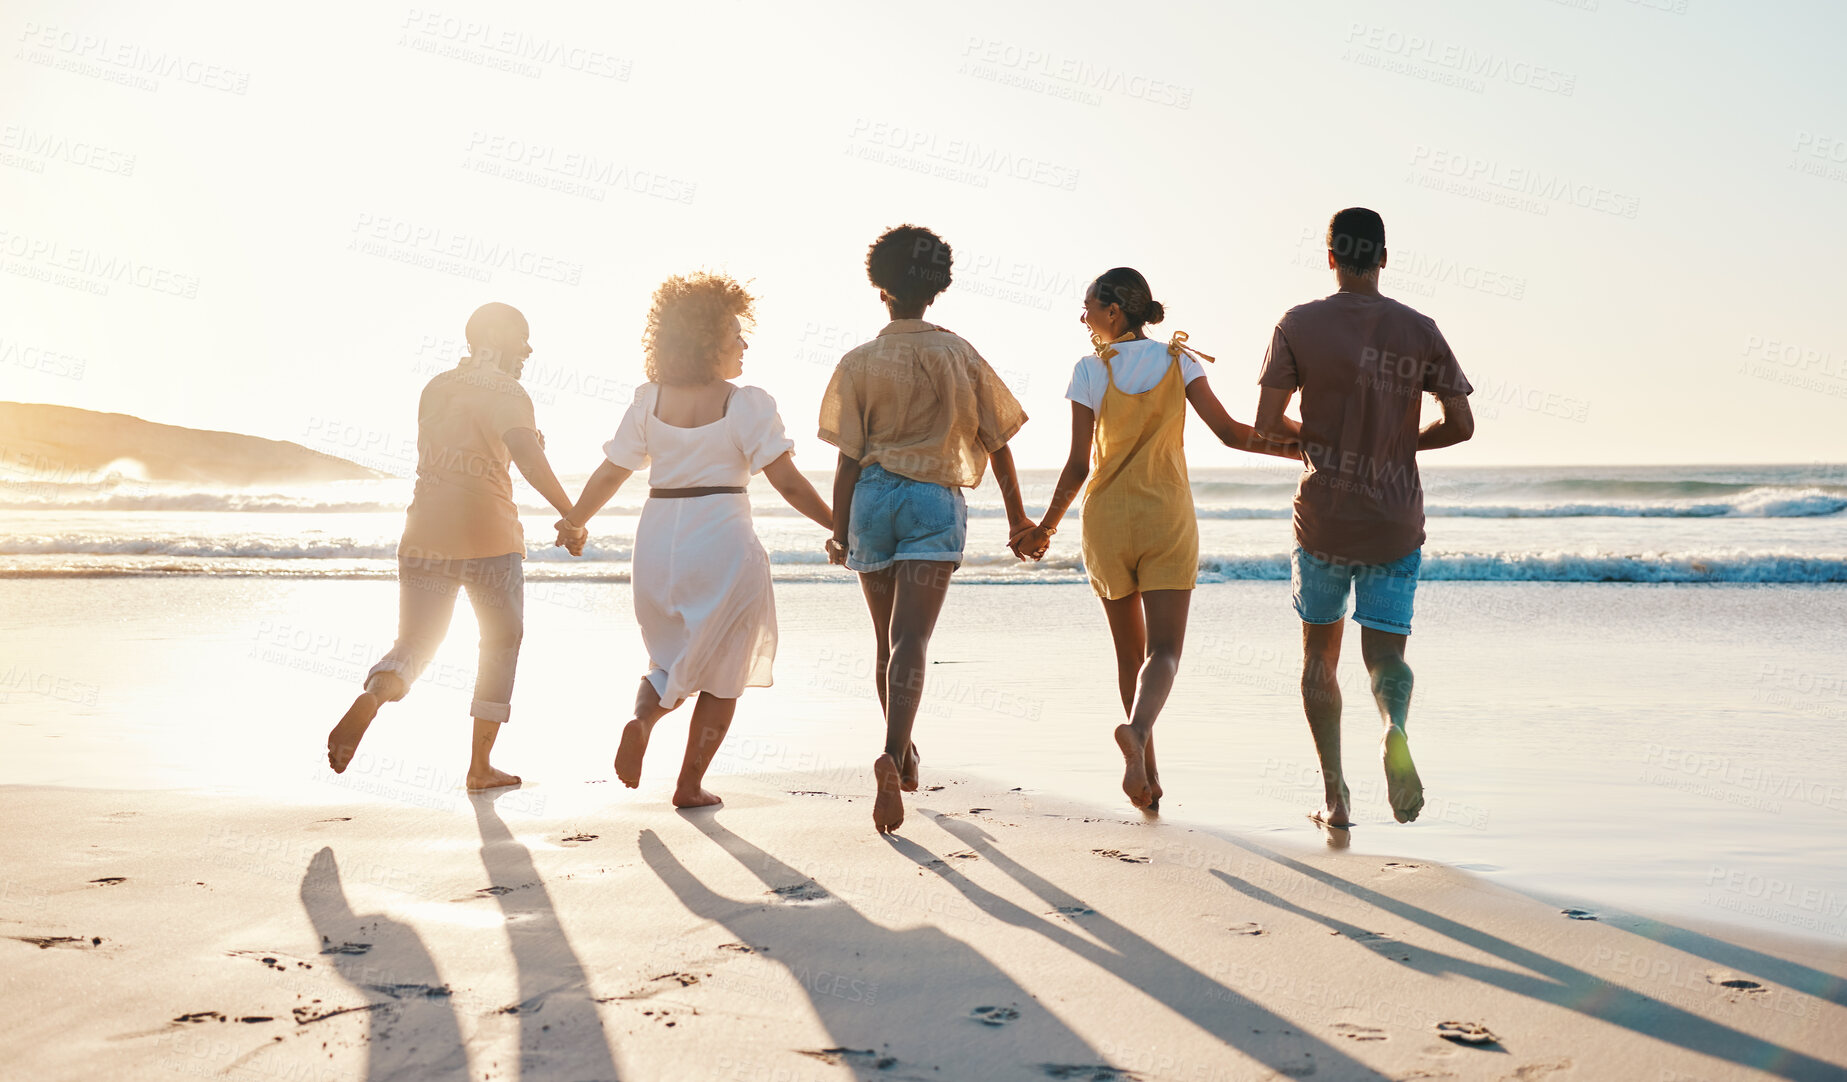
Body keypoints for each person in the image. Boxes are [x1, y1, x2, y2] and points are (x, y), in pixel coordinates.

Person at [1011, 268, 1300, 812]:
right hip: (1166, 518)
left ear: (1114, 311)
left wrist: (1045, 527)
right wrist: (1306, 450)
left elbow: (1077, 465)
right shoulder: (1179, 360)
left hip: (1107, 522)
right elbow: (1234, 434)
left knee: (1130, 655)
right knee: (1164, 652)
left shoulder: (1089, 370)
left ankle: (1146, 777)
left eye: (1089, 305)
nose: (1084, 315)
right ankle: (1137, 733)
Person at [554, 273, 832, 808]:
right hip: (721, 538)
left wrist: (575, 519)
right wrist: (842, 526)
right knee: (723, 671)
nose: (744, 344)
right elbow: (789, 481)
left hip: (658, 539)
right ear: (708, 342)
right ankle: (687, 785)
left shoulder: (648, 400)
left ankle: (642, 720)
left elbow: (613, 471)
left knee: (666, 659)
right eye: (734, 335)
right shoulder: (746, 403)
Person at [1252, 208, 1476, 828]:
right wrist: (1399, 446)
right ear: (1383, 256)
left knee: (1319, 658)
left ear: (1330, 258)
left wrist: (1319, 443)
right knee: (1384, 655)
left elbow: (1268, 424)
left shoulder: (1298, 324)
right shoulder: (1419, 329)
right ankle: (1393, 727)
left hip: (1324, 518)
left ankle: (1335, 796)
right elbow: (1462, 425)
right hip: (1394, 522)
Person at [819, 224, 1033, 834]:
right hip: (931, 501)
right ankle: (894, 752)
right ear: (936, 290)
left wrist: (839, 530)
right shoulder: (957, 353)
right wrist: (1018, 518)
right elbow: (999, 442)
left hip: (870, 500)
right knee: (913, 641)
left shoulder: (858, 361)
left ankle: (903, 753)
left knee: (885, 642)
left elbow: (846, 458)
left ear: (879, 288)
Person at [326, 302, 582, 790]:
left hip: (424, 531)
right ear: (499, 337)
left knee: (415, 642)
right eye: (522, 337)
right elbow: (523, 456)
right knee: (500, 642)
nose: (528, 348)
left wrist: (520, 441)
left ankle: (376, 695)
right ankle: (480, 766)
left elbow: (471, 444)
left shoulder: (436, 387)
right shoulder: (509, 391)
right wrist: (571, 516)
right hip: (488, 534)